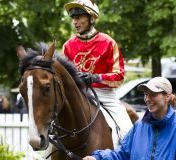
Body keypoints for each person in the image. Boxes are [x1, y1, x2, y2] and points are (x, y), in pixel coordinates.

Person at [63, 0, 132, 146]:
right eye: (73, 18)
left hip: (105, 96)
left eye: (79, 17)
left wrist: (96, 77)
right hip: (79, 94)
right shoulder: (67, 46)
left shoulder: (108, 43)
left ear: (92, 18)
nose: (75, 22)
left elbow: (119, 76)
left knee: (128, 133)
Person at [83, 77, 176, 160]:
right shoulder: (139, 126)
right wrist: (97, 158)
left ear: (167, 96)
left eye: (153, 94)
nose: (147, 99)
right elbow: (121, 153)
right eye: (146, 94)